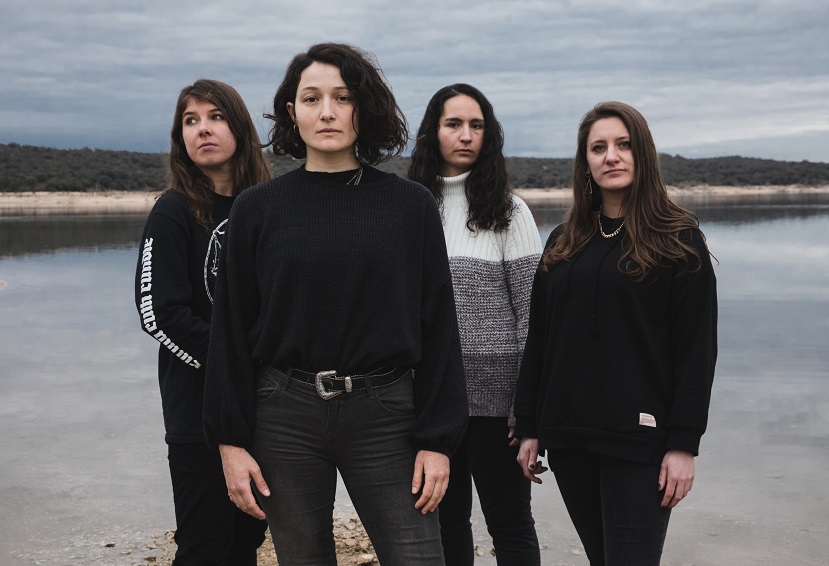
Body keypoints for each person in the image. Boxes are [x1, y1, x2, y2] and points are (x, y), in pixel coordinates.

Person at [202, 43, 468, 565]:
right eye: (311, 98)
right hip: (284, 414)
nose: (327, 112)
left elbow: (439, 326)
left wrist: (438, 440)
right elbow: (229, 330)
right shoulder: (257, 208)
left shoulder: (409, 204)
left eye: (343, 98)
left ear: (363, 108)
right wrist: (229, 442)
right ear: (291, 112)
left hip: (387, 412)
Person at [513, 101, 717, 565]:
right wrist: (529, 427)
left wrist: (683, 444)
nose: (611, 156)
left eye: (623, 144)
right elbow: (540, 340)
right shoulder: (563, 241)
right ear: (585, 161)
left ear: (643, 153)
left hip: (640, 442)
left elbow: (696, 353)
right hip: (569, 437)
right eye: (598, 147)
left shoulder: (678, 240)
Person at [134, 79, 271, 565]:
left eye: (215, 117)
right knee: (203, 546)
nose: (202, 129)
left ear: (240, 128)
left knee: (247, 540)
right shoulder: (173, 211)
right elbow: (159, 315)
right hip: (197, 412)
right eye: (190, 121)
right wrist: (234, 363)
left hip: (266, 406)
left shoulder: (266, 207)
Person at [408, 84, 542, 565]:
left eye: (476, 125)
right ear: (432, 132)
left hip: (496, 405)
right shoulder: (408, 208)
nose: (466, 135)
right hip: (426, 400)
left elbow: (533, 318)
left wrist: (526, 409)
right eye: (453, 124)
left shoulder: (509, 210)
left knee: (510, 524)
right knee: (443, 523)